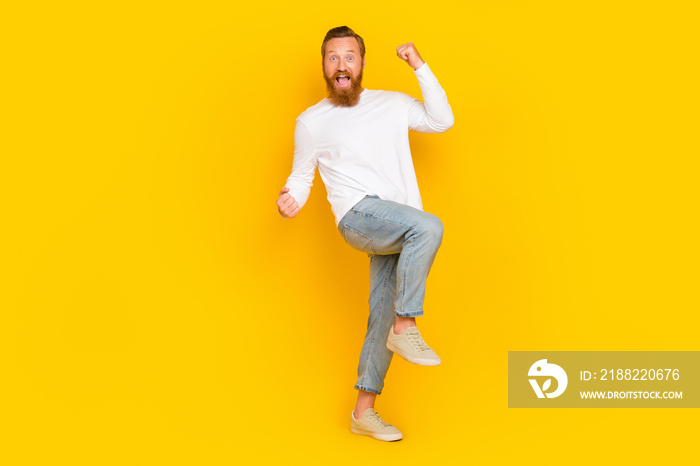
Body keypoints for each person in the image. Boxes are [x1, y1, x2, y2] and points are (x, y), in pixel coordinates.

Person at [276, 26, 454, 441]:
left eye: (349, 57)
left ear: (361, 64)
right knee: (429, 225)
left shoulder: (390, 104)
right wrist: (291, 199)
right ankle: (407, 328)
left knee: (380, 321)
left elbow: (441, 120)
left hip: (397, 225)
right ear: (324, 66)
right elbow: (302, 177)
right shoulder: (312, 121)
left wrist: (420, 67)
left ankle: (363, 412)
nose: (341, 65)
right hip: (357, 216)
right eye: (333, 57)